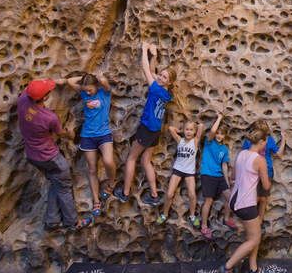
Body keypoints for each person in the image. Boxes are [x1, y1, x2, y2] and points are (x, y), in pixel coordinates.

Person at [17, 78, 90, 230]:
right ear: (45, 97)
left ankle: (52, 222)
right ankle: (72, 222)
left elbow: (31, 90)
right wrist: (70, 133)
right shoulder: (49, 117)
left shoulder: (23, 100)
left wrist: (62, 81)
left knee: (55, 183)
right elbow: (62, 133)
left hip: (32, 156)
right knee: (64, 186)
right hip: (50, 158)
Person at [114, 42, 175, 206]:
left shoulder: (156, 89)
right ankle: (154, 195)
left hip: (147, 129)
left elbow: (146, 70)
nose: (160, 77)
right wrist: (154, 56)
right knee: (146, 161)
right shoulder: (166, 93)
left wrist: (144, 49)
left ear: (168, 82)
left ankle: (125, 193)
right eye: (161, 75)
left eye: (164, 77)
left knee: (132, 159)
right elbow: (153, 73)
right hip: (155, 131)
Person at [219, 125, 272, 273]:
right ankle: (227, 267)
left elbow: (233, 176)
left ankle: (253, 268)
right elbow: (267, 186)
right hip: (246, 204)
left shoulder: (241, 153)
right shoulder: (260, 160)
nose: (266, 145)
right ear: (261, 142)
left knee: (253, 235)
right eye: (266, 142)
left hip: (234, 200)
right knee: (254, 240)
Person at [61, 73, 116, 216]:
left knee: (108, 161)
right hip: (87, 136)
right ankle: (96, 200)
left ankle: (111, 183)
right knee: (92, 169)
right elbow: (70, 81)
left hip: (103, 134)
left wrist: (97, 79)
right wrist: (84, 79)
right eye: (85, 90)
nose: (87, 92)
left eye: (90, 89)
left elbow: (105, 81)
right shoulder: (84, 94)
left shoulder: (105, 93)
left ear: (96, 86)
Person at [156, 120, 205, 227]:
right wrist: (180, 130)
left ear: (194, 132)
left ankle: (192, 216)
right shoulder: (180, 140)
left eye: (191, 130)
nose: (188, 132)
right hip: (177, 170)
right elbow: (170, 129)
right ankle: (164, 214)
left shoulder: (195, 141)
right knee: (169, 194)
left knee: (192, 195)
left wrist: (197, 124)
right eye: (187, 129)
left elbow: (201, 126)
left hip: (189, 172)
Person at [241, 122, 285, 222]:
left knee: (264, 198)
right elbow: (244, 154)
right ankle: (252, 219)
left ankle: (260, 220)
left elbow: (278, 154)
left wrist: (284, 139)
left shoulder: (269, 139)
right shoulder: (250, 141)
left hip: (267, 171)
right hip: (253, 172)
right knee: (254, 197)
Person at [199, 114, 234, 239]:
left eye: (222, 134)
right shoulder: (209, 142)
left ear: (225, 136)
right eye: (218, 133)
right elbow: (212, 131)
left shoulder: (224, 149)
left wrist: (226, 180)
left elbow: (224, 165)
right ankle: (204, 226)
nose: (219, 136)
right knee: (208, 200)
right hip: (208, 175)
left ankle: (226, 218)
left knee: (229, 197)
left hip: (219, 176)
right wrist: (219, 118)